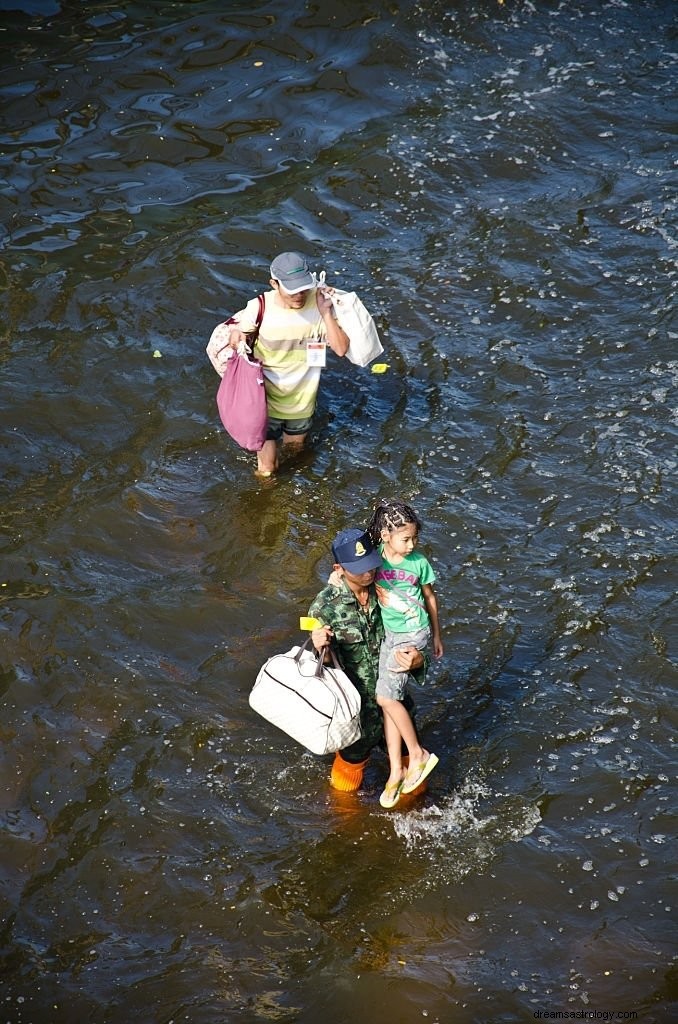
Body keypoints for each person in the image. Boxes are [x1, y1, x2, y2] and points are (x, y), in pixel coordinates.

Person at [308, 527, 427, 798]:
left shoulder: (390, 588)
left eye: (372, 564)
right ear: (339, 568)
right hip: (355, 718)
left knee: (417, 790)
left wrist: (419, 660)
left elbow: (414, 631)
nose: (369, 573)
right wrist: (321, 648)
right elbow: (323, 669)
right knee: (344, 796)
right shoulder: (324, 607)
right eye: (360, 569)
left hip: (395, 708)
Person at [206, 251, 350, 476]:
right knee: (267, 470)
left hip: (302, 402)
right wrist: (237, 336)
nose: (299, 295)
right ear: (274, 283)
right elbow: (239, 334)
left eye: (303, 288)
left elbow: (341, 349)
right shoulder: (259, 307)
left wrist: (327, 313)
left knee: (295, 453)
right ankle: (265, 507)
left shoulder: (319, 303)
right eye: (292, 290)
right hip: (265, 403)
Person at [365, 498, 443, 808]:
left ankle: (419, 754)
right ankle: (396, 770)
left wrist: (436, 635)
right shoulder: (375, 561)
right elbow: (353, 574)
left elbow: (430, 599)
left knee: (385, 698)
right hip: (391, 635)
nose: (411, 544)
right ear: (385, 536)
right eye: (405, 538)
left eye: (414, 538)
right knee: (388, 702)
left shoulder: (419, 563)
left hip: (414, 634)